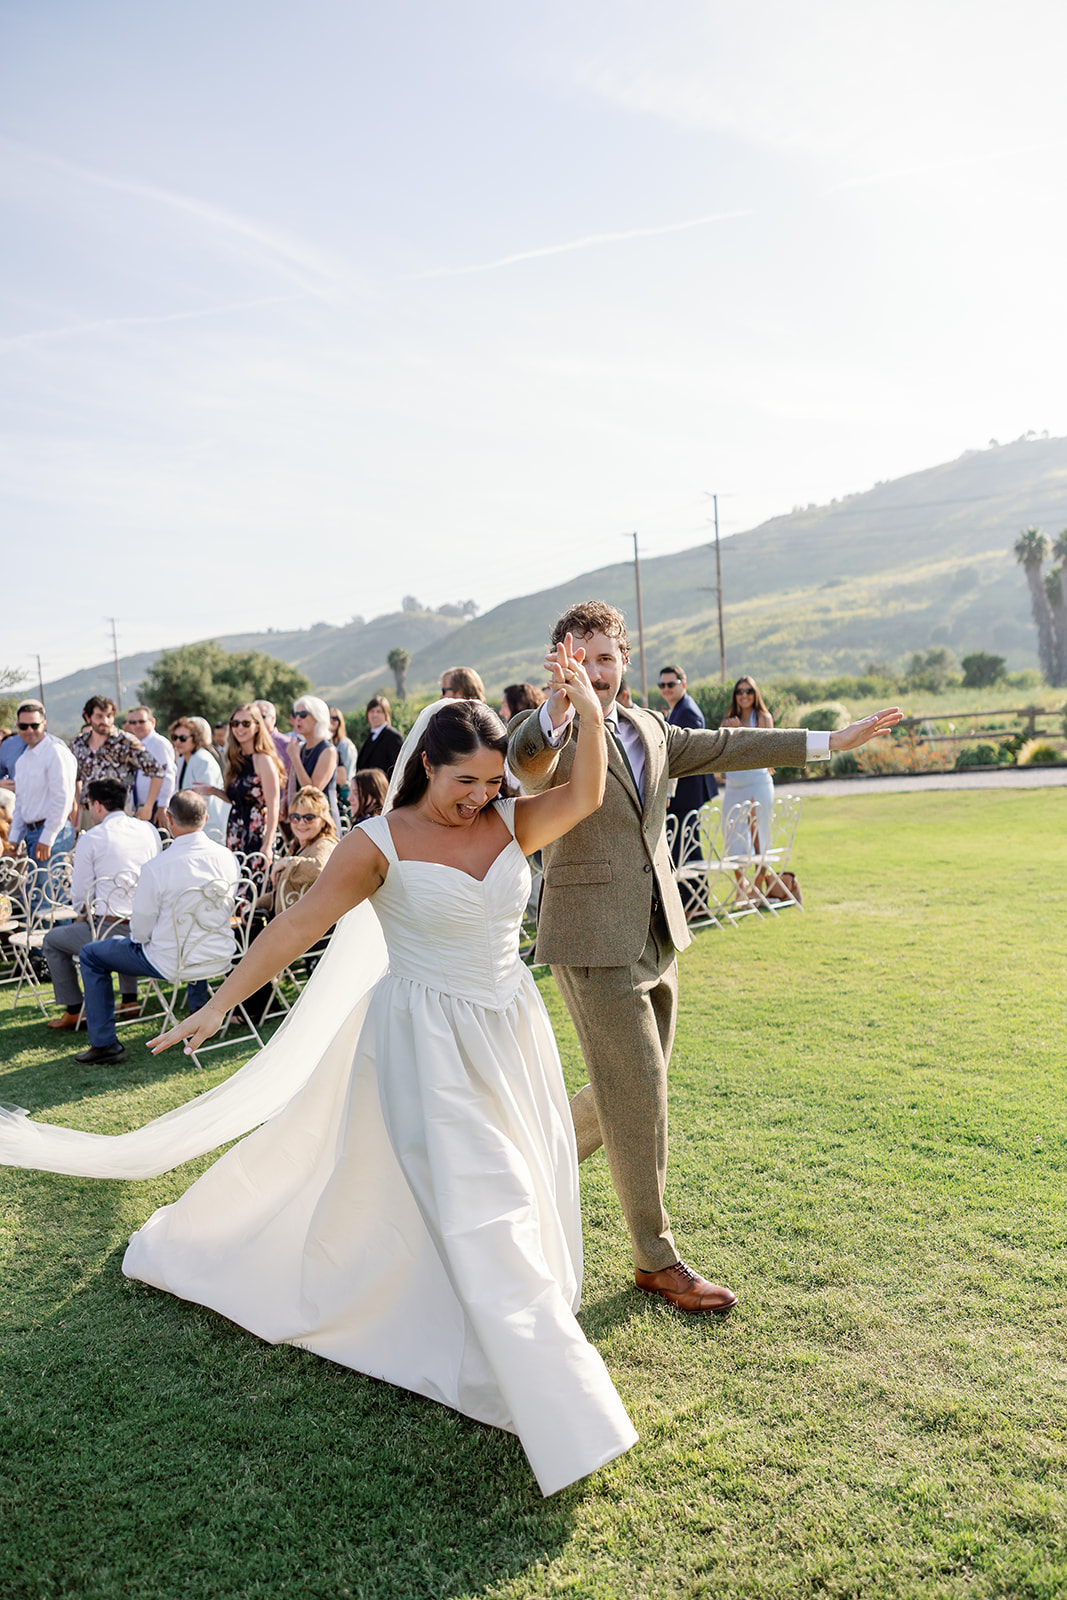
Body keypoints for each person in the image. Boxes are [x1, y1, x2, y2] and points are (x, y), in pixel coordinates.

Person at [0, 645, 637, 1496]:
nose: (482, 798)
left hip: (510, 1035)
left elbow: (587, 792)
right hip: (423, 1045)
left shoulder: (511, 822)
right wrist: (220, 1002)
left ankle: (476, 1331)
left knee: (514, 1185)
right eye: (466, 784)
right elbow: (295, 927)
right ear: (423, 771)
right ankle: (565, 1408)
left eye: (492, 783)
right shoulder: (376, 845)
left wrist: (585, 708)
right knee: (488, 1205)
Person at [508, 600, 902, 1315]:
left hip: (658, 932)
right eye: (580, 659)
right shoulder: (551, 731)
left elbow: (729, 746)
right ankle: (655, 1258)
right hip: (592, 937)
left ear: (623, 660)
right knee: (639, 1091)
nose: (594, 672)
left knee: (632, 1090)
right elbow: (524, 767)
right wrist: (555, 713)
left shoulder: (653, 727)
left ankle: (517, 1171)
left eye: (605, 659)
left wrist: (830, 739)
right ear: (560, 661)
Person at [74, 791, 239, 1066]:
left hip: (172, 962)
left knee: (91, 954)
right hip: (222, 955)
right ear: (206, 818)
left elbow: (140, 930)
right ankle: (198, 1009)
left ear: (169, 821)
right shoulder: (227, 857)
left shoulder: (156, 867)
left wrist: (145, 939)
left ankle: (104, 1044)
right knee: (185, 937)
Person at [41, 779, 161, 1030]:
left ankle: (75, 1009)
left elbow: (81, 896)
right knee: (123, 922)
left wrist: (82, 915)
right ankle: (129, 1000)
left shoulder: (91, 838)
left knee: (53, 939)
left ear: (97, 805)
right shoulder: (148, 830)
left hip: (110, 930)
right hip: (153, 927)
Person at [2, 701, 77, 906]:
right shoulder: (23, 760)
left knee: (43, 898)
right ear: (17, 727)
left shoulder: (55, 752)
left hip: (53, 830)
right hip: (32, 832)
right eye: (24, 726)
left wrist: (48, 836)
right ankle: (59, 937)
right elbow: (21, 804)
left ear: (44, 724)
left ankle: (50, 938)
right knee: (48, 896)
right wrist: (14, 839)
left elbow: (62, 798)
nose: (29, 731)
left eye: (34, 725)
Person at [659, 665, 718, 920]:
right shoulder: (679, 709)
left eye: (671, 684)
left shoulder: (687, 713)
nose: (666, 689)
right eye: (662, 685)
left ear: (683, 684)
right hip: (684, 792)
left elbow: (687, 754)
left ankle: (696, 903)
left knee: (687, 848)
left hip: (687, 791)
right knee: (685, 847)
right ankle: (695, 902)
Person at [194, 704, 282, 863]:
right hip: (235, 831)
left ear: (257, 727)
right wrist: (213, 791)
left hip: (257, 834)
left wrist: (268, 844)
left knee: (254, 885)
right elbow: (237, 800)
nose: (239, 728)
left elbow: (273, 805)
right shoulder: (235, 759)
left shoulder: (263, 760)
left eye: (246, 723)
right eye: (235, 723)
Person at [70, 696, 165, 830]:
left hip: (119, 812)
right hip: (89, 814)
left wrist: (148, 806)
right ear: (88, 717)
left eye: (109, 716)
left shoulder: (125, 742)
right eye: (99, 716)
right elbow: (76, 777)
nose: (105, 721)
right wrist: (81, 803)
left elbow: (157, 771)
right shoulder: (77, 744)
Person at [719, 677, 776, 874]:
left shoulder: (763, 718)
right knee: (734, 837)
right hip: (734, 784)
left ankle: (759, 887)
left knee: (759, 835)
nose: (744, 695)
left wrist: (740, 732)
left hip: (757, 781)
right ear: (735, 695)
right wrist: (729, 731)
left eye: (748, 691)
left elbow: (764, 751)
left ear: (755, 693)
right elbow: (721, 753)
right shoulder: (728, 720)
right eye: (740, 692)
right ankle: (741, 889)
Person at [169, 717, 229, 843]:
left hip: (208, 826)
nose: (178, 742)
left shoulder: (203, 760)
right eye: (175, 737)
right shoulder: (181, 760)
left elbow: (203, 798)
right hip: (189, 825)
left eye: (183, 738)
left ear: (195, 738)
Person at [287, 696, 340, 832]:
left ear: (318, 717)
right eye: (296, 714)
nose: (298, 718)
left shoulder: (328, 750)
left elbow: (312, 791)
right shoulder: (300, 747)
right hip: (302, 821)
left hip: (322, 821)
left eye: (303, 714)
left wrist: (295, 757)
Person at [124, 706, 177, 827]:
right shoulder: (134, 745)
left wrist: (162, 807)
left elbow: (168, 775)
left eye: (141, 721)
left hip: (156, 806)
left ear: (152, 722)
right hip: (141, 807)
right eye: (133, 722)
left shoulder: (159, 743)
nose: (137, 725)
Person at [355, 695, 404, 779]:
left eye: (379, 711)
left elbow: (397, 769)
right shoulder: (370, 736)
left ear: (386, 714)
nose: (374, 715)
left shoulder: (393, 737)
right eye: (372, 711)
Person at [328, 709, 359, 821]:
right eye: (328, 717)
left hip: (345, 788)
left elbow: (346, 776)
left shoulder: (346, 745)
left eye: (335, 718)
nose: (331, 721)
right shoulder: (326, 743)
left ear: (340, 722)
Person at [254, 700, 291, 773]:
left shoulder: (285, 743)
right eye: (254, 717)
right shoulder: (247, 741)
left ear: (273, 719)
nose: (257, 721)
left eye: (262, 716)